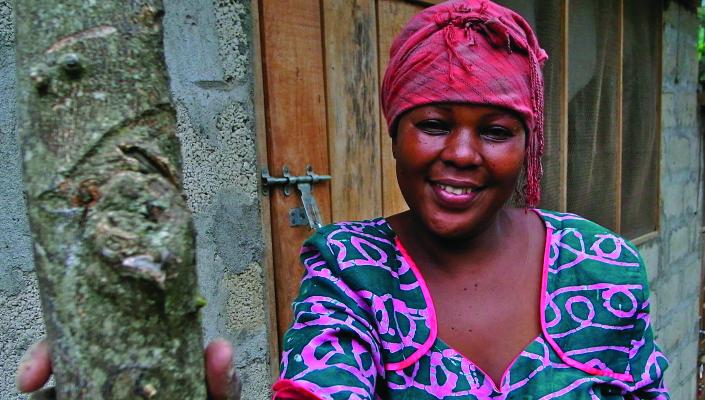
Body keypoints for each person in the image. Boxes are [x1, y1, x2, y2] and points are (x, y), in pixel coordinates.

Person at [18, 0, 669, 398]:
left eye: (495, 131)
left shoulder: (602, 264)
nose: (463, 154)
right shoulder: (351, 270)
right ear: (395, 131)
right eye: (434, 123)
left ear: (527, 145)